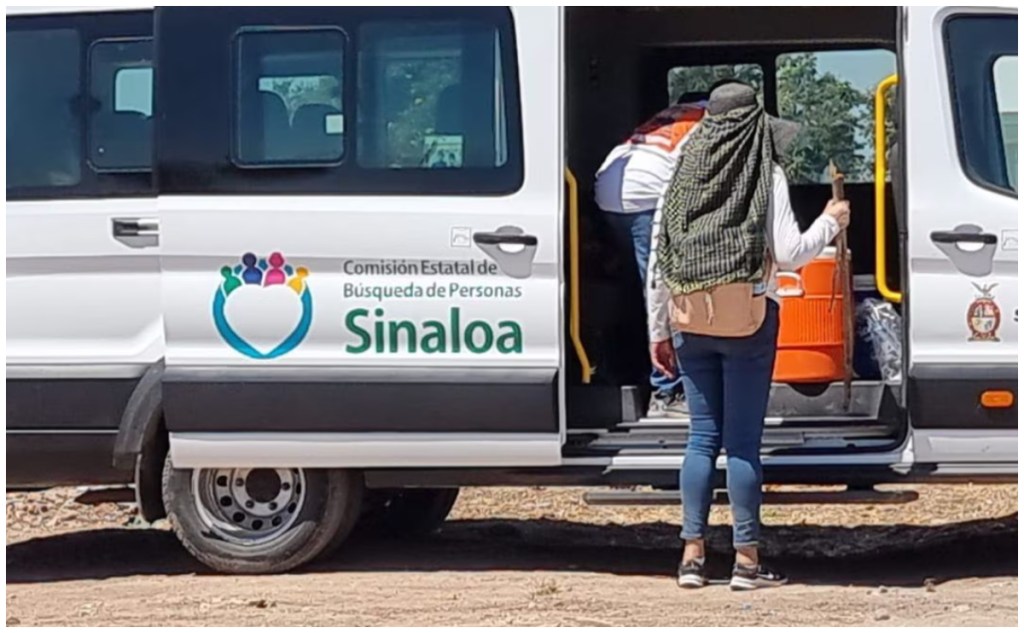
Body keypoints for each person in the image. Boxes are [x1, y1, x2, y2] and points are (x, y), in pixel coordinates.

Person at [646, 81, 850, 590]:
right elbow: (790, 252)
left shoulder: (680, 172)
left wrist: (659, 328)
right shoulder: (767, 174)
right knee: (741, 444)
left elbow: (659, 255)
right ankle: (747, 561)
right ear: (755, 123)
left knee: (700, 439)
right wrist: (830, 221)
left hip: (689, 317)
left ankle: (691, 557)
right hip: (750, 320)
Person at [594, 92, 709, 418]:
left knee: (641, 293)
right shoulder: (709, 120)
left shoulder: (667, 117)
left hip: (610, 195)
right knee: (667, 292)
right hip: (648, 199)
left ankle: (631, 372)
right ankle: (667, 391)